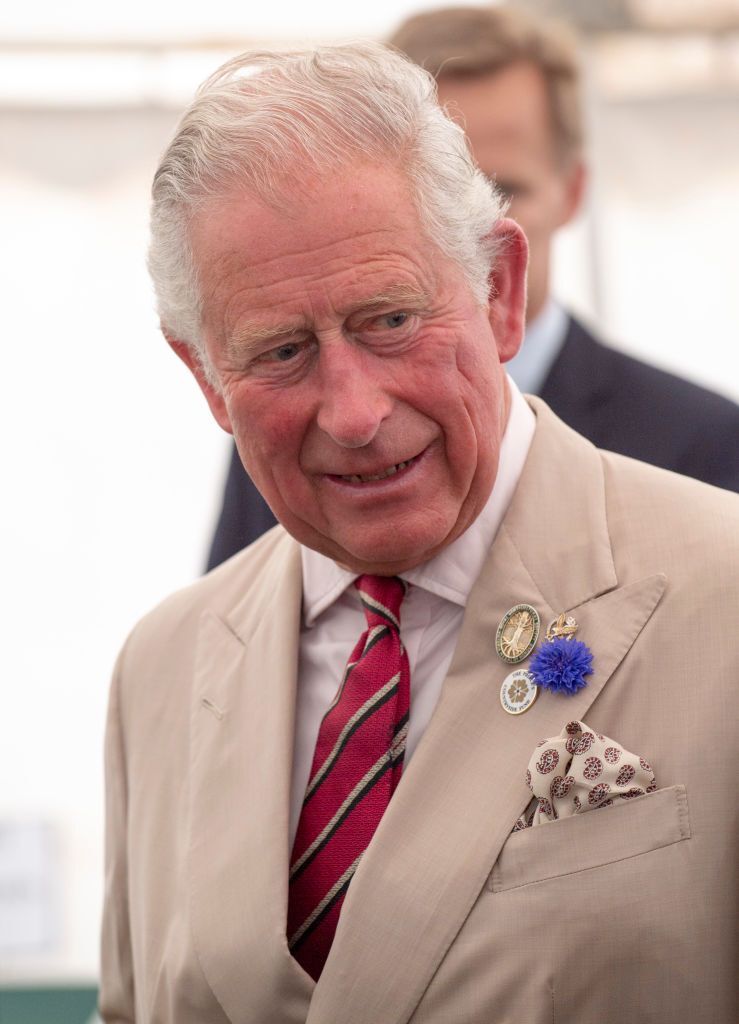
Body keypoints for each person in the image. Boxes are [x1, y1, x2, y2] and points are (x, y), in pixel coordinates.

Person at [100, 43, 739, 1023]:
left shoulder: (721, 596)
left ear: (498, 290)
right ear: (202, 376)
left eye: (390, 318)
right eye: (280, 350)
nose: (352, 410)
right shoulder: (162, 669)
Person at [204, 4, 739, 570]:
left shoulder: (699, 440)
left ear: (573, 191)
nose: (467, 226)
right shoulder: (295, 436)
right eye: (431, 195)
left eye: (499, 188)